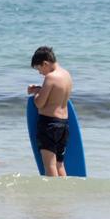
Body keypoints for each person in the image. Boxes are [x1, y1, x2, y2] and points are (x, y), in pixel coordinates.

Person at [27, 46, 73, 177]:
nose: (40, 73)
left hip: (49, 125)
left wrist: (36, 93)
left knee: (50, 165)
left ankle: (53, 196)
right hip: (64, 125)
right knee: (59, 164)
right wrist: (40, 89)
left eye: (39, 68)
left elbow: (39, 103)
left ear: (45, 63)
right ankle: (64, 191)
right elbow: (55, 96)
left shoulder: (50, 78)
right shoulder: (66, 75)